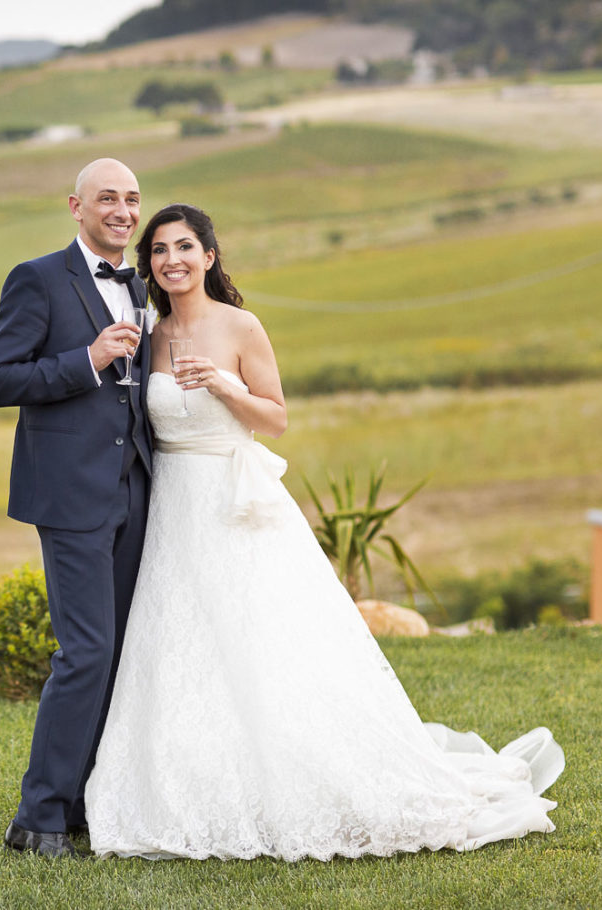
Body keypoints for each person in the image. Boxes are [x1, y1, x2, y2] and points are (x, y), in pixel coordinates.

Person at [83, 203, 564, 860]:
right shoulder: (151, 332)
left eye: (184, 246)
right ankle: (185, 783)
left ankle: (297, 771)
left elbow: (275, 418)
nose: (171, 260)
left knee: (265, 645)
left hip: (235, 505)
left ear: (209, 256)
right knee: (182, 647)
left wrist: (224, 385)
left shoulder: (241, 325)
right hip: (173, 512)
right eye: (159, 250)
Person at [0, 158, 154, 858]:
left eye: (132, 198)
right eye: (107, 197)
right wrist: (85, 359)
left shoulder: (139, 282)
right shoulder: (37, 278)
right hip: (70, 492)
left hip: (136, 488)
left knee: (116, 655)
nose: (122, 209)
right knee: (85, 653)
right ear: (75, 206)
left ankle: (86, 799)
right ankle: (38, 817)